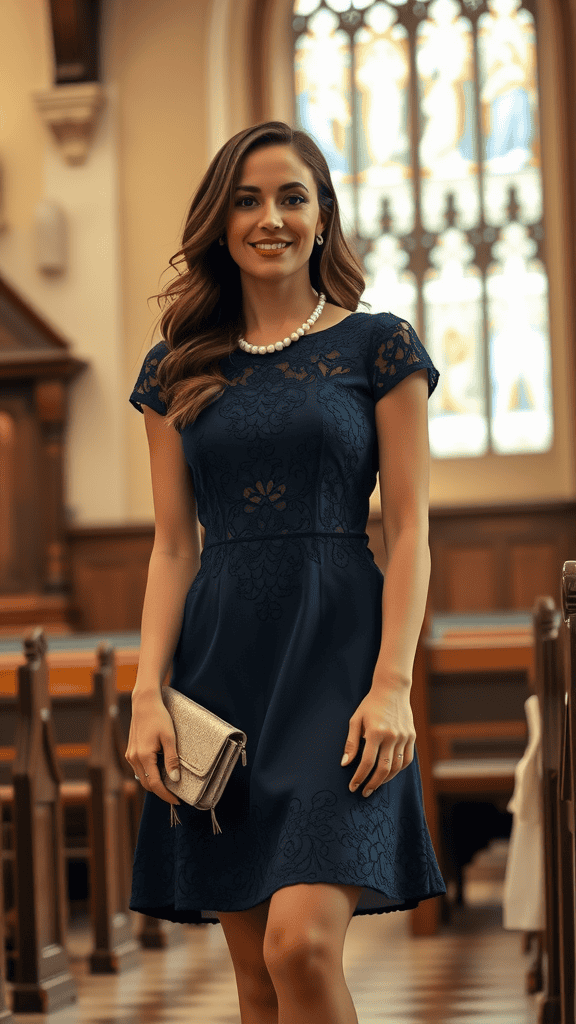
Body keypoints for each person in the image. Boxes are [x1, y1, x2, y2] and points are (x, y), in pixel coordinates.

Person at [126, 120, 446, 1024]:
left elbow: (413, 529)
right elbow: (172, 546)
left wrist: (393, 684)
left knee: (299, 946)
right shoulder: (176, 368)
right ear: (220, 222)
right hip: (221, 677)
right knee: (258, 983)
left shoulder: (379, 347)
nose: (270, 217)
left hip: (340, 667)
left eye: (291, 197)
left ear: (322, 215)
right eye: (247, 198)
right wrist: (148, 691)